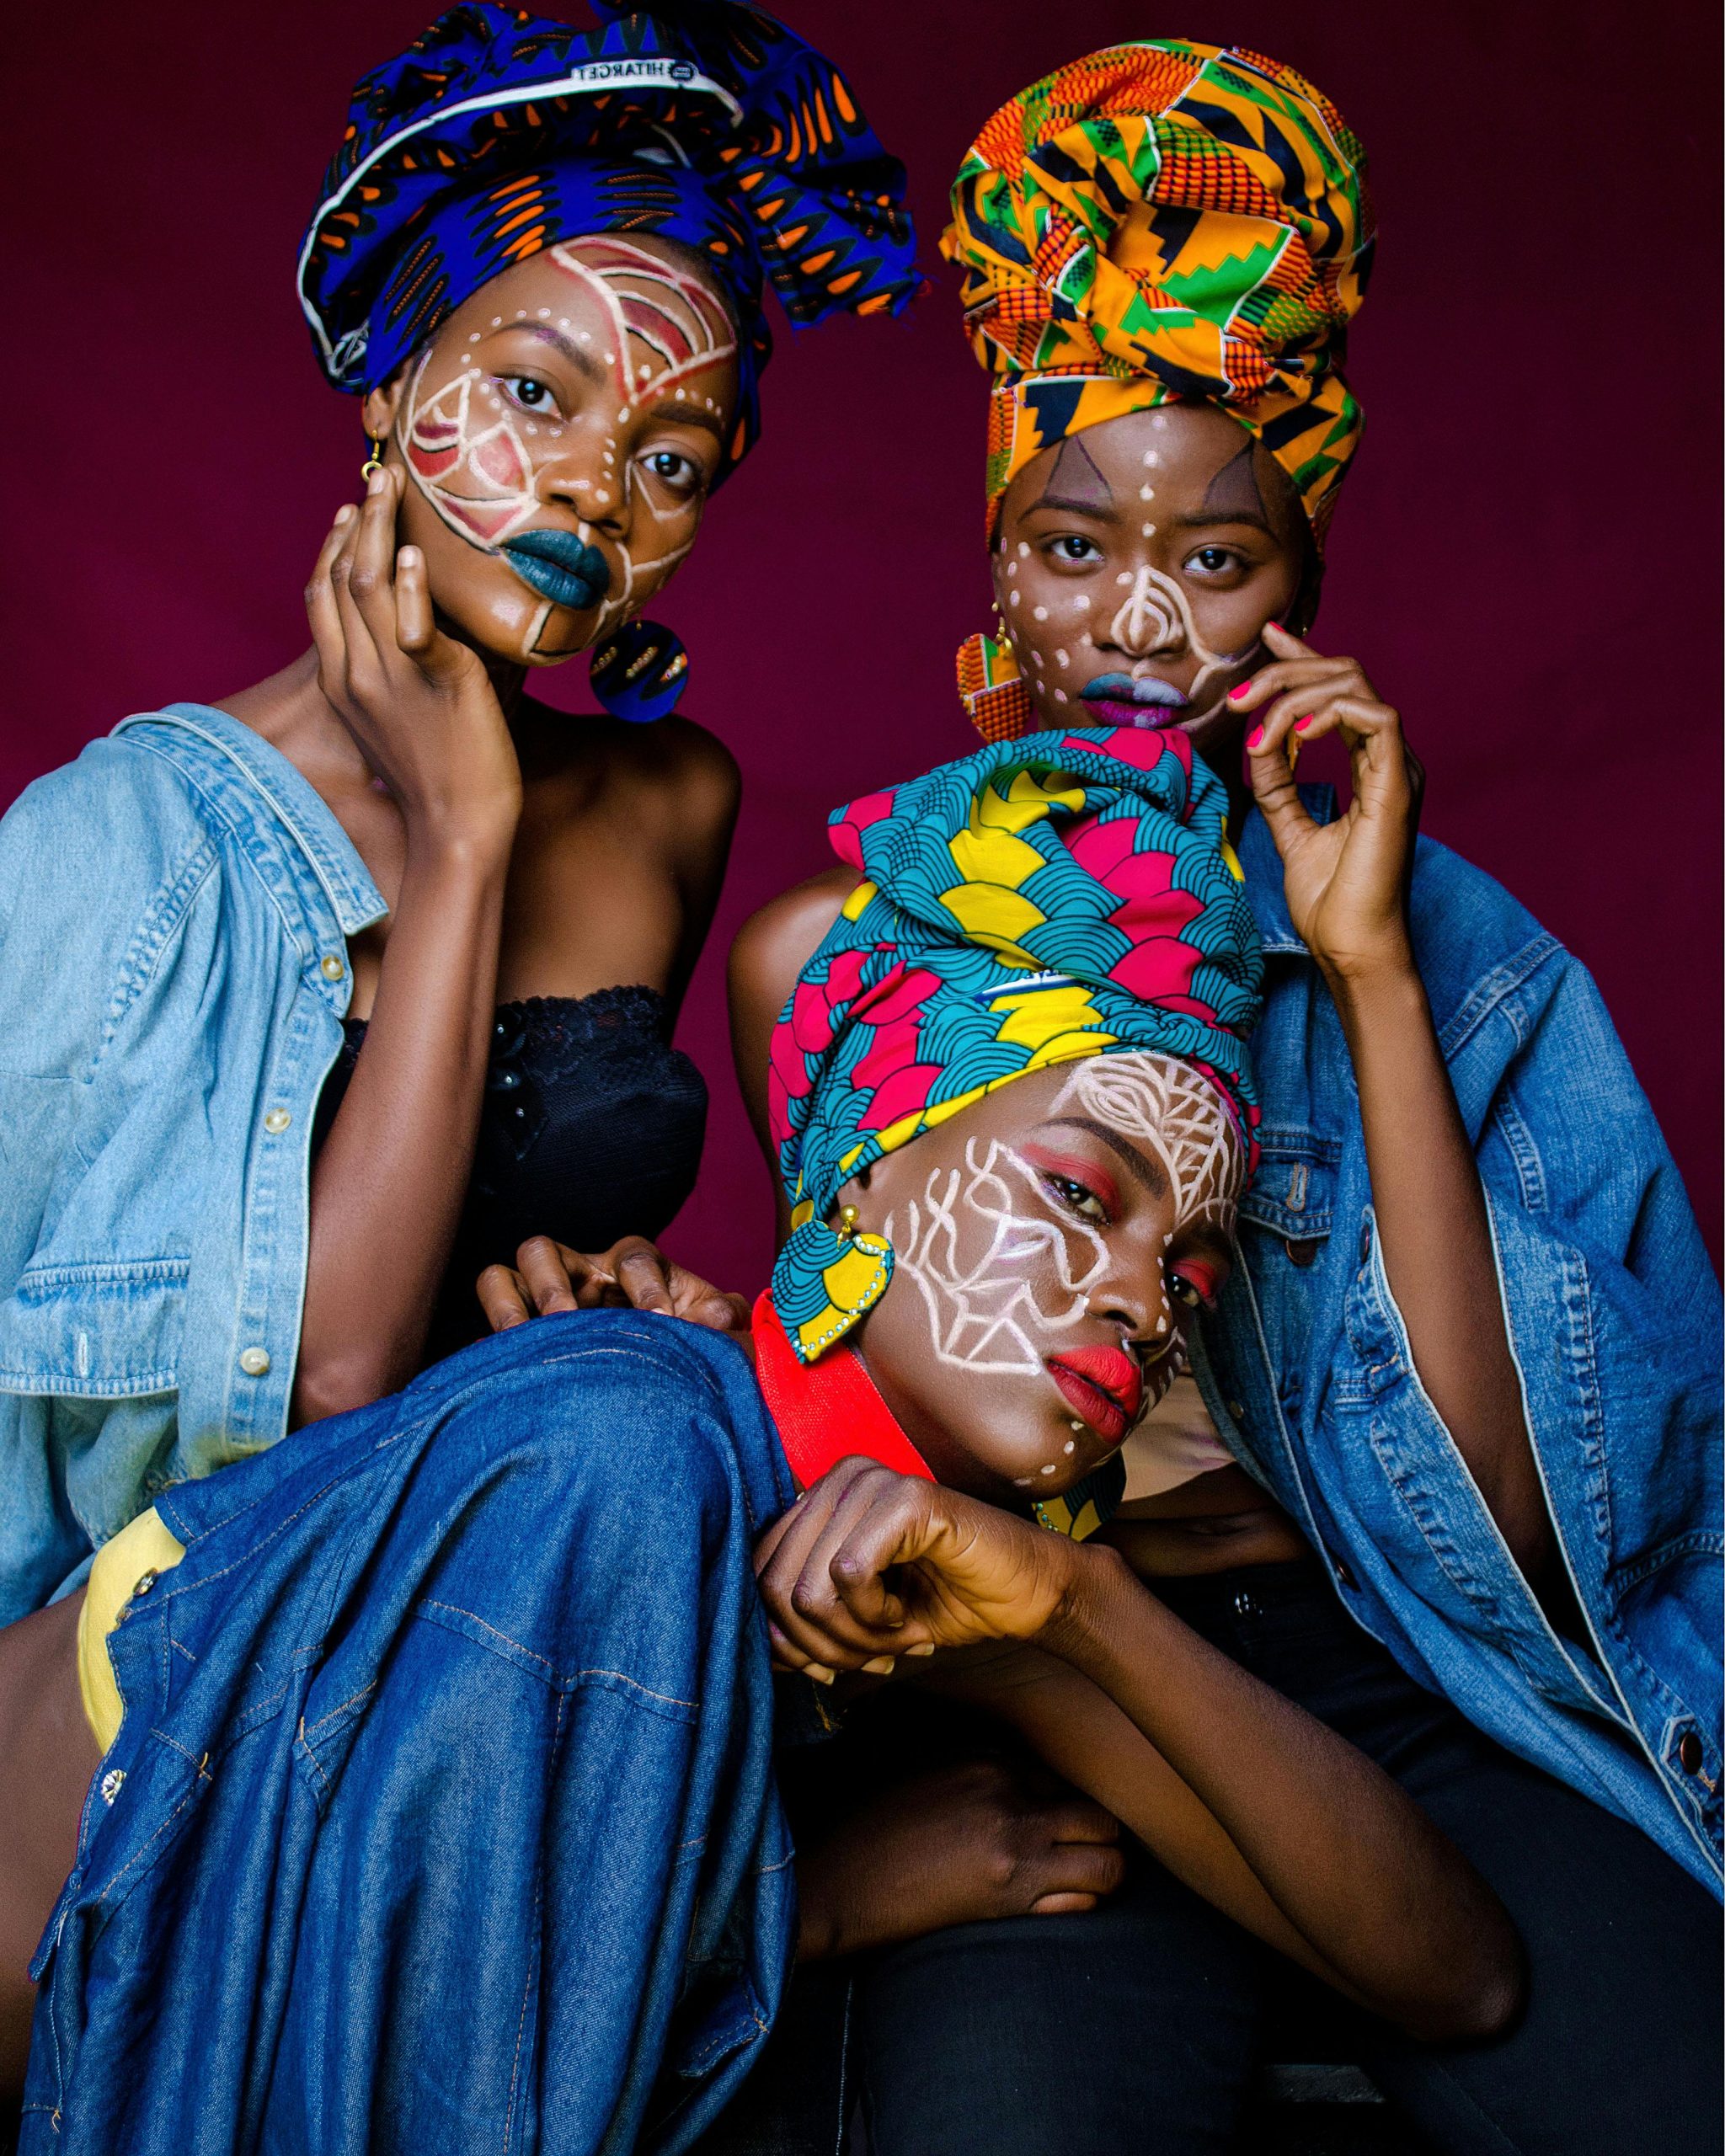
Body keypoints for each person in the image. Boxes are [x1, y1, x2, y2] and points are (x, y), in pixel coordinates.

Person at [3, 724, 1525, 2148]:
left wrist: (1084, 1608)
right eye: (1079, 1192)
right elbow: (409, 2076)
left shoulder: (945, 1566)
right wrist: (816, 1901)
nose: (1140, 1299)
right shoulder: (627, 1457)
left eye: (1190, 1270)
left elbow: (1456, 1977)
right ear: (864, 1168)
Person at [719, 38, 1722, 2154]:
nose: (1138, 621)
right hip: (1046, 1680)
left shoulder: (1447, 952)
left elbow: (1503, 1515)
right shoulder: (835, 955)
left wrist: (1362, 969)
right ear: (996, 553)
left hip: (1404, 1661)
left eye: (1219, 560)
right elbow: (853, 1356)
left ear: (1303, 591)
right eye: (1072, 541)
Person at [0, 0, 917, 1626]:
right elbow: (329, 1394)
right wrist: (463, 836)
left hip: (539, 1588)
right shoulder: (112, 851)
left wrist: (617, 1308)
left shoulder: (664, 803)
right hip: (205, 1665)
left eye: (674, 460)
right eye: (537, 393)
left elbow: (519, 1290)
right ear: (391, 379)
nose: (594, 488)